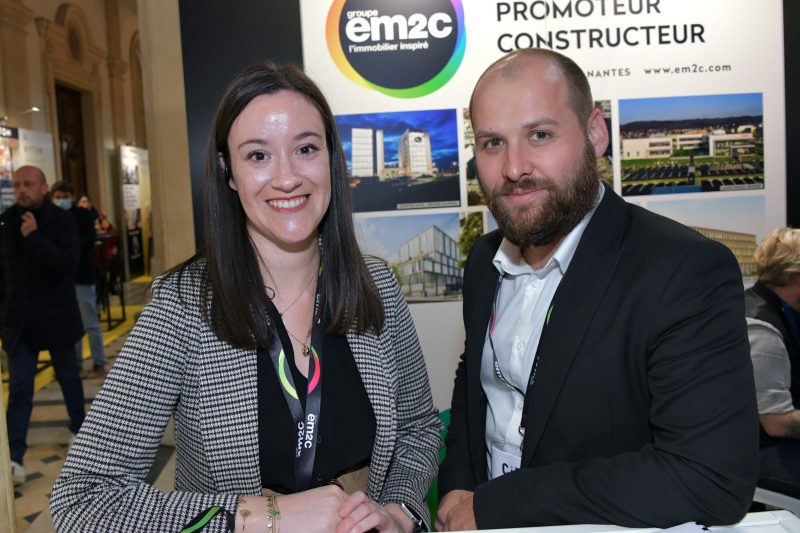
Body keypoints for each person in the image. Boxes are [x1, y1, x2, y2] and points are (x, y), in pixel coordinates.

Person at [50, 61, 441, 532]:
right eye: (258, 156)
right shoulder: (183, 306)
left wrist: (398, 512)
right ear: (228, 172)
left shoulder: (375, 285)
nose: (287, 177)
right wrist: (266, 516)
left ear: (330, 158)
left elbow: (418, 429)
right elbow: (83, 499)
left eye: (305, 149)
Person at [436, 48, 758, 531]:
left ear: (595, 132)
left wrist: (495, 506)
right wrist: (458, 484)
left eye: (540, 135)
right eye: (492, 143)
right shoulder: (484, 260)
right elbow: (475, 384)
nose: (514, 167)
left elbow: (709, 478)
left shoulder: (684, 270)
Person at [1, 165, 85, 486]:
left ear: (43, 187)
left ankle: (80, 431)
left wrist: (35, 238)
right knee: (20, 388)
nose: (22, 190)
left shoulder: (62, 220)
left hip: (57, 319)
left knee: (69, 380)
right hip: (20, 324)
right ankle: (14, 457)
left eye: (28, 184)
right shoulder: (6, 221)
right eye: (18, 184)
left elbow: (68, 263)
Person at [745, 228, 800, 498]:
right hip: (756, 450)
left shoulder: (780, 310)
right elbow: (775, 422)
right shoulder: (761, 327)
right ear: (796, 276)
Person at [51, 181, 107, 378]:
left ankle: (99, 362)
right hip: (63, 279)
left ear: (72, 197)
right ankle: (75, 364)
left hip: (83, 276)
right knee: (70, 324)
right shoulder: (52, 217)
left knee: (90, 321)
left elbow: (86, 243)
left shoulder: (82, 216)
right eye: (58, 197)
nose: (61, 201)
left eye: (65, 197)